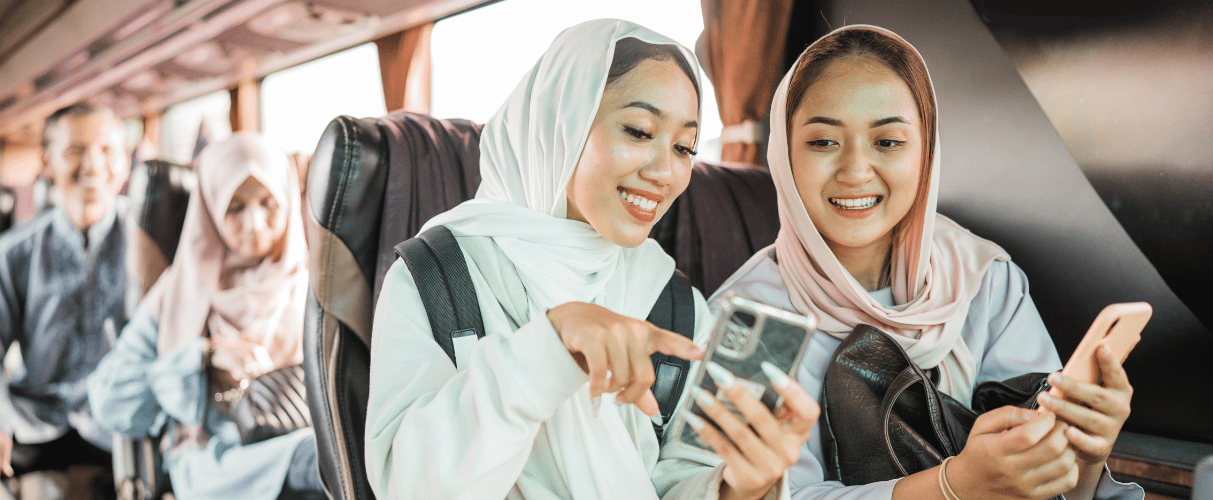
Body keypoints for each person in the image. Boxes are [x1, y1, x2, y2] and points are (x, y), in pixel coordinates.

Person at [364, 18, 820, 500]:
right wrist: (548, 348)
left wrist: (739, 487)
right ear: (562, 123)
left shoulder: (675, 304)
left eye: (684, 147)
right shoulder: (435, 279)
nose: (667, 171)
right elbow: (407, 487)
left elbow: (681, 480)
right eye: (640, 131)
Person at [710, 25, 1143, 500]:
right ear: (783, 154)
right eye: (822, 142)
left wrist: (1083, 455)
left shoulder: (983, 280)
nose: (855, 170)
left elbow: (1058, 484)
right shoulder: (748, 321)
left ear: (927, 153)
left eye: (888, 142)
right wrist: (951, 486)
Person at [86, 133, 321, 500]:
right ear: (210, 208)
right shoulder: (176, 292)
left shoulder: (314, 286)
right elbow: (108, 402)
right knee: (318, 461)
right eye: (235, 207)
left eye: (268, 203)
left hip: (297, 439)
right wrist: (203, 355)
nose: (255, 223)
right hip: (213, 462)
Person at [0, 102, 131, 495]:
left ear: (126, 161)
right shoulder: (12, 253)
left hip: (121, 420)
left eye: (108, 151)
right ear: (47, 161)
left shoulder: (153, 246)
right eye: (76, 150)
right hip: (34, 417)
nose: (93, 165)